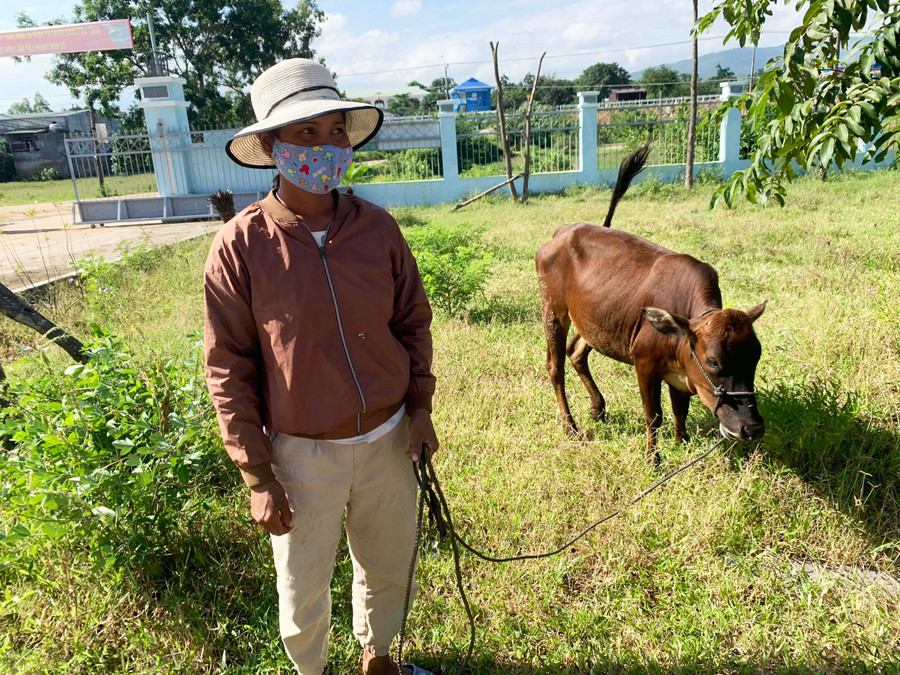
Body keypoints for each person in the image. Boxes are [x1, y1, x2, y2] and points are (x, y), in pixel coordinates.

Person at [203, 58, 438, 675]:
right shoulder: (240, 245)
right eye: (306, 133)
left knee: (388, 564)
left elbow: (412, 321)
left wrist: (419, 409)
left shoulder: (378, 229)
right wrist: (258, 474)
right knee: (303, 590)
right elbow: (228, 366)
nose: (325, 146)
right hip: (301, 454)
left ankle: (379, 656)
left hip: (389, 439)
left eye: (336, 130)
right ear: (272, 146)